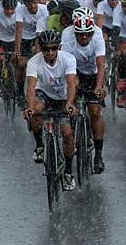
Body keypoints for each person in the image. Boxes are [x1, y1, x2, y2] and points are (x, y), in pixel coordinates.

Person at [24, 30, 78, 191]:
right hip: (44, 94)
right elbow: (31, 87)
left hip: (63, 97)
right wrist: (30, 107)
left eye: (53, 48)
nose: (50, 52)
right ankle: (40, 145)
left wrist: (70, 104)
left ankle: (68, 171)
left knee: (67, 133)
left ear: (58, 47)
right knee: (36, 111)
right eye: (46, 49)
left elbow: (71, 84)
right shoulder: (33, 62)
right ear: (40, 48)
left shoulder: (68, 59)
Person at [66, 8, 108, 173]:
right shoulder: (67, 38)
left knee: (95, 111)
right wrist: (72, 83)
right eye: (80, 34)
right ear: (75, 33)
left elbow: (101, 65)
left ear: (92, 33)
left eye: (87, 34)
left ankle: (98, 154)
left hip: (93, 75)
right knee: (71, 103)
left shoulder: (97, 37)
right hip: (75, 72)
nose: (84, 37)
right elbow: (66, 65)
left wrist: (99, 87)